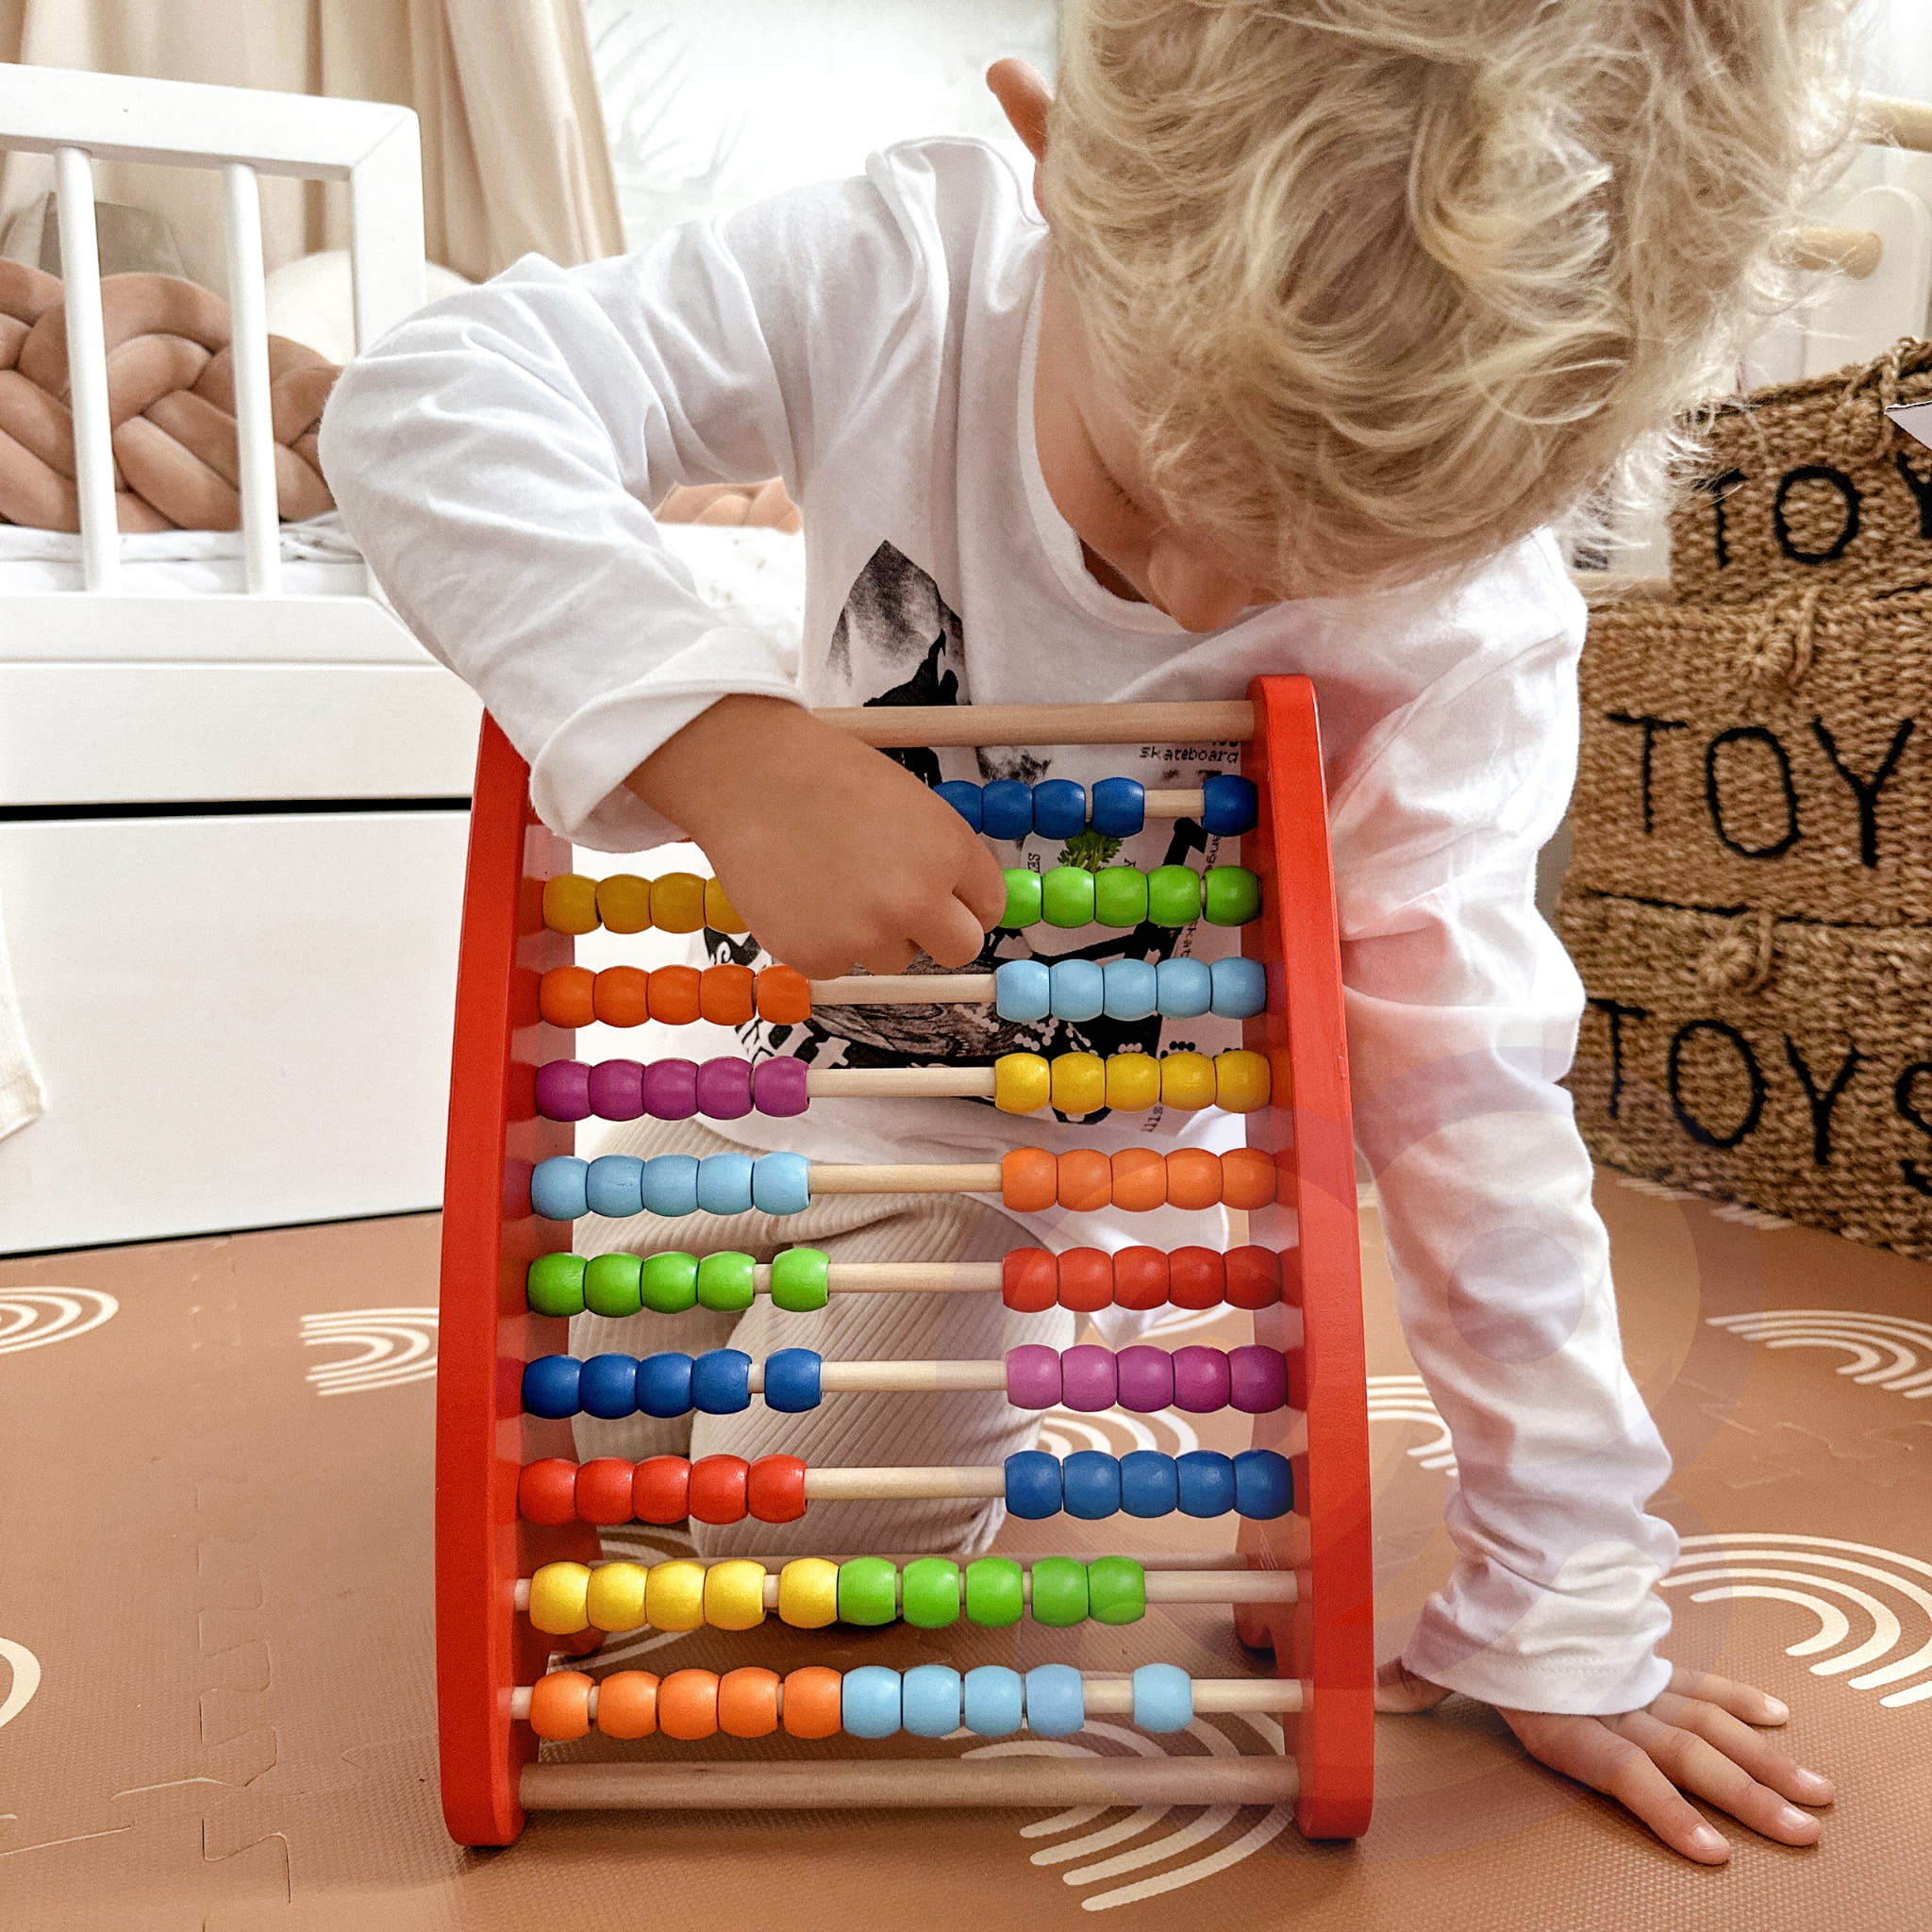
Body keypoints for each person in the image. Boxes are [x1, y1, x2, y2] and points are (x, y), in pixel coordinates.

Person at [320, 0, 1852, 1862]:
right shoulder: (907, 268)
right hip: (780, 1053)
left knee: (807, 1562)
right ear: (1057, 168)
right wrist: (721, 743)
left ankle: (909, 1350)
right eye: (1148, 499)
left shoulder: (1475, 624)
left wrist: (1569, 1594)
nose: (1199, 600)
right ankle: (760, 1277)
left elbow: (1469, 1104)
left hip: (1037, 1157)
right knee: (591, 1378)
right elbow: (429, 398)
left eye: (1320, 572)